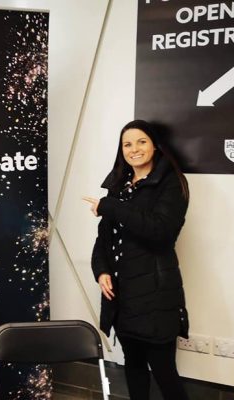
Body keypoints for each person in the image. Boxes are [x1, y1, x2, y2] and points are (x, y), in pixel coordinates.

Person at [83, 120, 190, 400]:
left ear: (155, 145)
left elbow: (160, 232)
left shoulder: (171, 183)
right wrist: (101, 270)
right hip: (123, 296)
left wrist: (110, 206)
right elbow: (104, 238)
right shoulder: (119, 185)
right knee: (133, 367)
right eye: (127, 144)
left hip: (155, 296)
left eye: (141, 141)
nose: (134, 149)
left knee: (165, 373)